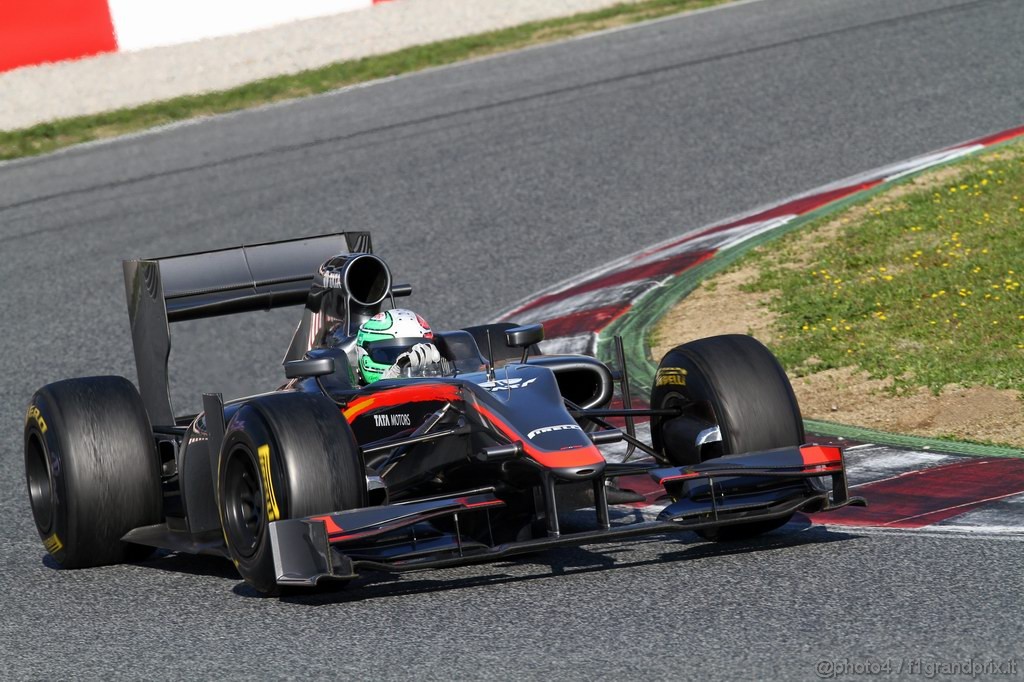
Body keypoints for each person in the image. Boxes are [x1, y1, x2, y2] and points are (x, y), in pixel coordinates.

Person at [354, 309, 442, 384]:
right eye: (392, 354)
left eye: (418, 352)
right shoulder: (351, 399)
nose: (410, 363)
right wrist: (398, 369)